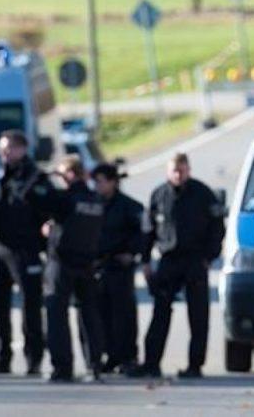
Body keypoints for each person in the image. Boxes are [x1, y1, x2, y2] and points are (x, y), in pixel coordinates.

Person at [128, 153, 225, 379]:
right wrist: (144, 261)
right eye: (174, 170)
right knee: (160, 312)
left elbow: (217, 228)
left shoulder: (203, 194)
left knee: (198, 316)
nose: (178, 175)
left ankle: (195, 365)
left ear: (188, 170)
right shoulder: (159, 195)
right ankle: (151, 363)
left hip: (195, 260)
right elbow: (148, 230)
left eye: (182, 170)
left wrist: (209, 257)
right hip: (169, 260)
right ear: (168, 171)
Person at [0, 129, 53, 376]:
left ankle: (33, 358)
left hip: (26, 248)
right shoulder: (2, 176)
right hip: (1, 248)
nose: (4, 153)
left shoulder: (35, 178)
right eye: (1, 149)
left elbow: (48, 211)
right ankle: (2, 358)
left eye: (9, 148)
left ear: (22, 149)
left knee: (30, 306)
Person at [42, 156, 105, 382]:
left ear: (69, 174)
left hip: (62, 262)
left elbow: (42, 201)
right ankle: (94, 364)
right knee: (89, 314)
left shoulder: (66, 198)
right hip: (87, 262)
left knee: (56, 314)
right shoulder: (96, 199)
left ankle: (62, 367)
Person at [86, 161, 144, 375]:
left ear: (112, 182)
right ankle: (109, 355)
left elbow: (143, 232)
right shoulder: (92, 203)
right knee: (101, 313)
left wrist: (132, 253)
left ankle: (128, 356)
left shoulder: (128, 206)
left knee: (124, 314)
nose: (97, 186)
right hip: (97, 266)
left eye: (100, 181)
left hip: (119, 266)